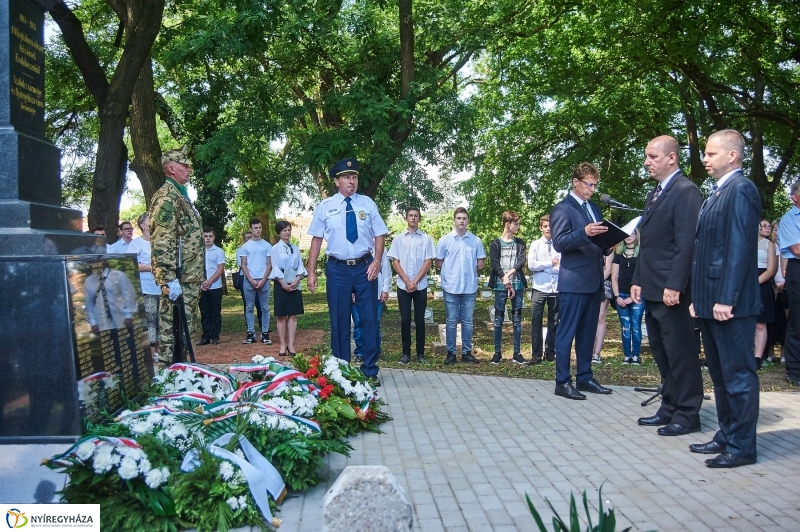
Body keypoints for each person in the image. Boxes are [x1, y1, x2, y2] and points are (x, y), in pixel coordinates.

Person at [690, 129, 761, 468]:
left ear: (732, 156)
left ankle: (743, 445)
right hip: (710, 302)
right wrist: (699, 299)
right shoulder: (716, 192)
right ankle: (727, 433)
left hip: (730, 304)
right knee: (719, 375)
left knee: (738, 376)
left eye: (711, 153)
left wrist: (726, 298)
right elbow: (705, 251)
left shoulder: (742, 189)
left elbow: (739, 249)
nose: (705, 158)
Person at [631, 135, 704, 437]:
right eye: (646, 157)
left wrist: (675, 284)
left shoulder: (686, 191)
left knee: (681, 352)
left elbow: (686, 244)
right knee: (661, 351)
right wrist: (636, 279)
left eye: (652, 157)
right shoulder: (656, 193)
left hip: (671, 290)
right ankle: (670, 405)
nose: (647, 162)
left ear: (671, 157)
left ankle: (688, 414)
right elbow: (647, 244)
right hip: (651, 286)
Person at [306, 158, 388, 385]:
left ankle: (370, 370)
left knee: (369, 318)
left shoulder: (367, 204)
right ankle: (341, 369)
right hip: (337, 269)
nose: (352, 182)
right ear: (336, 181)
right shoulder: (326, 206)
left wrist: (377, 260)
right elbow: (316, 239)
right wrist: (311, 272)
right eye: (346, 178)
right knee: (339, 318)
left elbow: (380, 233)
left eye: (354, 177)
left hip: (364, 267)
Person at [549, 162, 613, 400]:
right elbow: (560, 243)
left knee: (587, 333)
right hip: (574, 280)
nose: (592, 189)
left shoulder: (594, 208)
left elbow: (597, 241)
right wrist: (584, 232)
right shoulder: (562, 209)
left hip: (594, 279)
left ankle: (584, 377)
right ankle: (562, 381)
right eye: (589, 184)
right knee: (567, 332)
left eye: (595, 185)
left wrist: (608, 245)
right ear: (576, 182)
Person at [150, 146, 204, 364]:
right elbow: (162, 240)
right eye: (185, 165)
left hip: (189, 277)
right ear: (172, 168)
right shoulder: (167, 197)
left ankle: (182, 375)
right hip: (178, 279)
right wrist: (168, 279)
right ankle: (166, 379)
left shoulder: (181, 195)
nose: (189, 169)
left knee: (185, 330)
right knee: (170, 333)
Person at [436, 207, 486, 365]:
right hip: (451, 286)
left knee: (467, 321)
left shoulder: (476, 241)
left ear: (468, 221)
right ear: (454, 220)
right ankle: (450, 353)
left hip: (469, 287)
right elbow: (439, 263)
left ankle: (466, 353)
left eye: (464, 218)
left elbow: (480, 263)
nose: (462, 221)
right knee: (451, 321)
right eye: (459, 218)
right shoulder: (445, 240)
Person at [388, 207, 435, 364]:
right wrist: (407, 281)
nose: (413, 218)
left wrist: (415, 281)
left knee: (420, 320)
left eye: (416, 216)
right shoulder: (399, 239)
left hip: (420, 286)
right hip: (403, 286)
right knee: (405, 320)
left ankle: (420, 354)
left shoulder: (426, 239)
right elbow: (395, 261)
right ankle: (405, 353)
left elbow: (428, 261)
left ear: (419, 219)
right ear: (406, 218)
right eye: (410, 215)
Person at [488, 211, 528, 364]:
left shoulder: (520, 243)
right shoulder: (495, 244)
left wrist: (508, 275)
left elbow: (521, 262)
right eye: (516, 224)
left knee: (517, 320)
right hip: (500, 287)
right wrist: (503, 278)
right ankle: (497, 353)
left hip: (517, 285)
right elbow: (494, 263)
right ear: (507, 224)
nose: (518, 227)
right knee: (498, 320)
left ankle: (517, 353)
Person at [268, 220, 308, 356]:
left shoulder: (295, 247)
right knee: (281, 316)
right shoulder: (274, 249)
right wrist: (283, 284)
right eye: (284, 230)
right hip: (281, 284)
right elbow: (275, 267)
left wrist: (297, 280)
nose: (287, 232)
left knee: (293, 315)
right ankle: (282, 344)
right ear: (279, 233)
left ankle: (291, 344)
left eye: (289, 230)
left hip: (294, 282)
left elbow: (300, 265)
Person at [128, 212, 161, 361]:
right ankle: (148, 353)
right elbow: (131, 264)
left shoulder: (159, 241)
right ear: (143, 225)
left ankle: (159, 351)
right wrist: (151, 268)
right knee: (149, 319)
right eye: (150, 220)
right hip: (146, 288)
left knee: (161, 319)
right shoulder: (136, 243)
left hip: (161, 287)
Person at [528, 215, 560, 364]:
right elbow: (532, 265)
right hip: (539, 288)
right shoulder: (535, 244)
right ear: (541, 228)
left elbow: (562, 266)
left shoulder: (559, 245)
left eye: (551, 226)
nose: (548, 229)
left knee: (554, 322)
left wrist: (548, 267)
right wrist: (550, 263)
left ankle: (550, 352)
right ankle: (536, 354)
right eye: (546, 226)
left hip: (555, 288)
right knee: (536, 322)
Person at [778, 181, 800, 387]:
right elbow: (797, 249)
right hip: (798, 270)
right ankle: (794, 368)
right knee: (798, 320)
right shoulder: (788, 219)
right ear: (794, 196)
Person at [351, 251, 392, 362]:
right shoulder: (357, 247)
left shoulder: (379, 249)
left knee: (374, 323)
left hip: (377, 293)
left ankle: (374, 351)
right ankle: (360, 351)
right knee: (358, 323)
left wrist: (385, 289)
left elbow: (387, 270)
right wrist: (351, 291)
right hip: (357, 293)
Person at [612, 230, 645, 364]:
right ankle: (627, 355)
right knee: (625, 326)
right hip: (621, 295)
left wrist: (632, 298)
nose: (629, 236)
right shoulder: (618, 254)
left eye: (632, 234)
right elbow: (614, 278)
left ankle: (636, 355)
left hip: (637, 297)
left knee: (636, 326)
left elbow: (644, 277)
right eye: (626, 234)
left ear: (637, 236)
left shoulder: (641, 255)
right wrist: (617, 296)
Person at [239, 218, 273, 345]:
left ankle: (265, 333)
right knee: (249, 307)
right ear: (251, 229)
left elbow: (269, 264)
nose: (258, 230)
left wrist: (264, 279)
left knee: (265, 308)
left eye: (259, 227)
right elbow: (243, 265)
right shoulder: (245, 246)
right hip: (249, 280)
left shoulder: (267, 245)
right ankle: (250, 333)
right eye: (255, 228)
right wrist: (251, 279)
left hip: (263, 279)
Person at [83, 261, 138, 333]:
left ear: (105, 260)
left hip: (122, 320)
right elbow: (89, 303)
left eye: (98, 260)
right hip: (102, 324)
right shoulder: (89, 281)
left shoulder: (119, 275)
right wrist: (93, 323)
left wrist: (128, 315)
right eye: (92, 260)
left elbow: (129, 295)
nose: (95, 262)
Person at [755, 220, 778, 368]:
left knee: (760, 323)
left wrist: (754, 283)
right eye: (763, 225)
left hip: (761, 283)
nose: (767, 228)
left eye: (769, 226)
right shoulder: (745, 242)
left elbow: (771, 270)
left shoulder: (769, 245)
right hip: (743, 282)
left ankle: (757, 357)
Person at [198, 226, 226, 346]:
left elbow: (220, 270)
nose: (208, 238)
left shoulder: (219, 251)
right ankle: (205, 336)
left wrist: (209, 281)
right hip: (201, 286)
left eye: (210, 236)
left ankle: (215, 335)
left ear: (214, 237)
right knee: (204, 312)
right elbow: (196, 269)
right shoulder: (197, 252)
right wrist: (203, 282)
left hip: (215, 286)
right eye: (205, 236)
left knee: (215, 312)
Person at [236, 231, 265, 333]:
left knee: (260, 303)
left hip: (259, 278)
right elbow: (242, 264)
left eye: (250, 237)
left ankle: (263, 326)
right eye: (246, 237)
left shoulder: (259, 247)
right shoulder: (240, 250)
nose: (248, 239)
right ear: (244, 239)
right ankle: (249, 328)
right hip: (245, 278)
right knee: (248, 304)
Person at [591, 254, 614, 364]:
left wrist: (596, 282)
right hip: (589, 285)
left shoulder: (609, 249)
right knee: (590, 318)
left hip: (604, 285)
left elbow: (608, 269)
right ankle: (589, 350)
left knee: (600, 317)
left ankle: (596, 353)